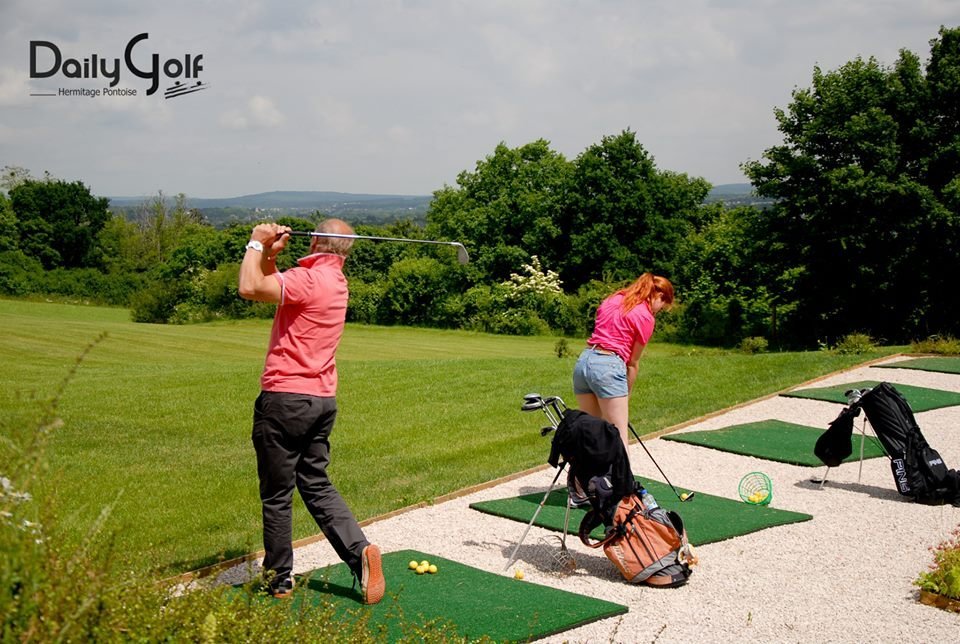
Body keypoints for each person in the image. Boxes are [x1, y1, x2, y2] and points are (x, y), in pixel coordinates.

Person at [238, 218, 385, 604]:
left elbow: (249, 287)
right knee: (316, 483)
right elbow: (276, 287)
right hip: (320, 402)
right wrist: (271, 255)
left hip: (284, 399)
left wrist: (255, 244)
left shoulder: (308, 281)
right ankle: (359, 552)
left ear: (317, 239)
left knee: (277, 494)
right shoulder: (334, 282)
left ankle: (279, 580)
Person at [572, 273, 674, 451]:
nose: (659, 310)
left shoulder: (613, 299)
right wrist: (625, 394)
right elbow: (632, 363)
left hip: (584, 362)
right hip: (608, 366)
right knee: (618, 439)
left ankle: (584, 479)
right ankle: (622, 480)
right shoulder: (645, 316)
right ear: (659, 296)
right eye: (663, 306)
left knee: (592, 435)